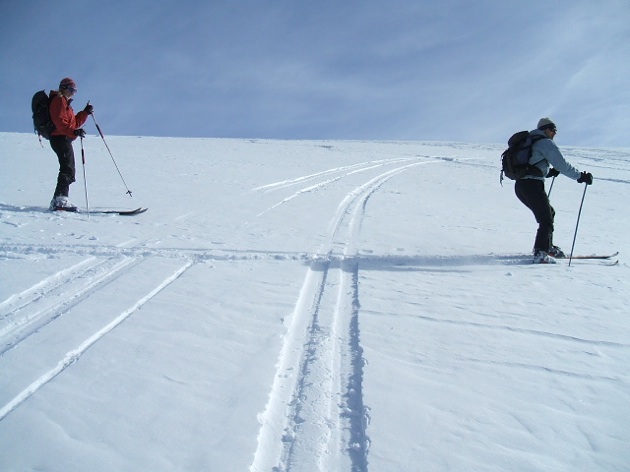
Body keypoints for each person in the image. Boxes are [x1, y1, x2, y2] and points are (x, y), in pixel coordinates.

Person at [514, 118, 593, 264]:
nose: (554, 133)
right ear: (545, 129)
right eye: (553, 130)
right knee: (546, 219)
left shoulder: (531, 141)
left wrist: (548, 172)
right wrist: (580, 176)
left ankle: (547, 247)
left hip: (521, 186)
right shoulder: (545, 142)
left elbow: (531, 164)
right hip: (532, 185)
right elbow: (562, 165)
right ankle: (541, 253)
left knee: (549, 213)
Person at [48, 77, 93, 211]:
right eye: (72, 90)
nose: (73, 93)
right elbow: (60, 122)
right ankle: (60, 201)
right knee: (67, 169)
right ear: (64, 88)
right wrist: (74, 132)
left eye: (75, 91)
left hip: (63, 138)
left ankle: (58, 200)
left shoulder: (65, 103)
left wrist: (85, 113)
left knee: (68, 168)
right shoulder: (59, 100)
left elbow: (73, 123)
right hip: (59, 138)